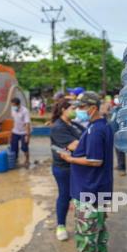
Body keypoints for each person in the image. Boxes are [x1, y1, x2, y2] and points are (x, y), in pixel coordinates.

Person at [58, 91, 114, 252]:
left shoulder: (95, 131)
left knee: (86, 233)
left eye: (81, 107)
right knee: (99, 227)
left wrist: (70, 159)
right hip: (99, 188)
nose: (77, 110)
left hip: (89, 189)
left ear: (92, 108)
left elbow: (95, 161)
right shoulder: (103, 126)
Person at [50, 98, 85, 241]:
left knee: (79, 196)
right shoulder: (58, 127)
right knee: (65, 195)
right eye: (72, 108)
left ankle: (82, 224)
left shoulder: (74, 124)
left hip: (78, 165)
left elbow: (88, 136)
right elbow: (75, 146)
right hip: (63, 168)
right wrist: (88, 143)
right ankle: (61, 226)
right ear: (63, 110)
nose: (75, 111)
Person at [10, 97, 31, 167]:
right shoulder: (13, 109)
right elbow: (14, 119)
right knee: (13, 147)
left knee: (24, 147)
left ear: (18, 104)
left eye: (14, 105)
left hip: (24, 132)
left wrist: (27, 135)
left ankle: (27, 160)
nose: (13, 107)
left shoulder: (25, 111)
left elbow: (27, 123)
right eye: (12, 105)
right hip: (15, 131)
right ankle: (15, 160)